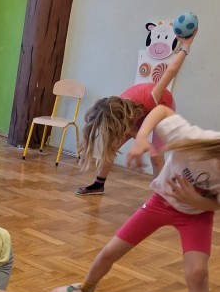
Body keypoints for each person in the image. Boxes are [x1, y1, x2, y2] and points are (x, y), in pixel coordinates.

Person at [51, 105, 220, 292]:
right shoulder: (193, 139)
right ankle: (85, 288)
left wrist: (195, 201)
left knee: (198, 273)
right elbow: (162, 110)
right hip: (160, 202)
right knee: (110, 251)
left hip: (197, 216)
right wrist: (141, 138)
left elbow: (215, 205)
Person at [76, 31, 197, 195]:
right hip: (136, 114)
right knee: (112, 146)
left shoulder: (151, 96)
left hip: (163, 107)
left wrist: (185, 47)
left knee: (156, 155)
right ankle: (98, 184)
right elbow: (132, 130)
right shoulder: (117, 108)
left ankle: (160, 195)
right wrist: (140, 139)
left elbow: (170, 71)